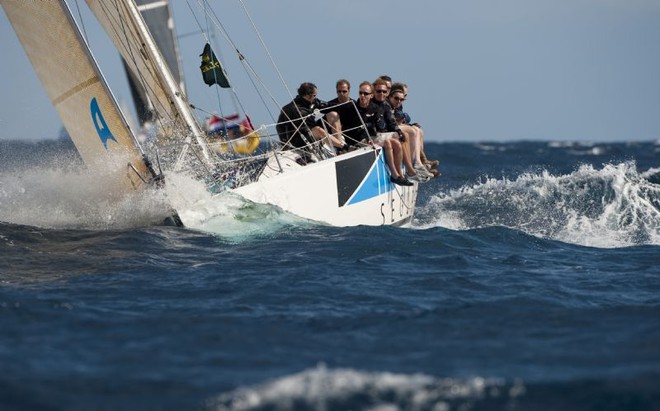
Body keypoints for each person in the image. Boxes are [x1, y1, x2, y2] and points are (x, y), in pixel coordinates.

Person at [353, 81, 411, 186]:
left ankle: (401, 174)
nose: (363, 96)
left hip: (377, 135)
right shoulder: (355, 107)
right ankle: (396, 175)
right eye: (361, 93)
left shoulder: (381, 106)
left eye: (384, 91)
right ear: (374, 93)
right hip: (366, 138)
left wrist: (398, 131)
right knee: (390, 142)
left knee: (399, 140)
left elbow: (387, 122)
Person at [371, 78, 429, 183]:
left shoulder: (385, 105)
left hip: (385, 132)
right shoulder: (371, 104)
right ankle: (411, 169)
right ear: (373, 91)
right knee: (405, 134)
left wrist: (399, 130)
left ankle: (411, 168)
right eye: (379, 91)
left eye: (384, 91)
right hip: (375, 135)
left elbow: (393, 121)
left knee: (405, 134)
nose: (382, 93)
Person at [276, 82, 345, 151]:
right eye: (314, 95)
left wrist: (344, 106)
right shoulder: (292, 109)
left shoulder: (313, 102)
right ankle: (345, 147)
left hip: (311, 130)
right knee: (318, 130)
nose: (315, 97)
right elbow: (279, 126)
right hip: (299, 139)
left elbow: (327, 106)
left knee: (333, 115)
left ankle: (339, 147)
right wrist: (285, 144)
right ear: (308, 96)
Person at [390, 82, 439, 176]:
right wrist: (405, 119)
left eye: (403, 97)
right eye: (404, 95)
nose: (404, 98)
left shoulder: (398, 103)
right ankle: (415, 164)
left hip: (397, 125)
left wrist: (408, 122)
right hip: (392, 128)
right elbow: (400, 117)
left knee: (418, 130)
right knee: (412, 131)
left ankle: (422, 162)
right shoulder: (391, 103)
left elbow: (405, 118)